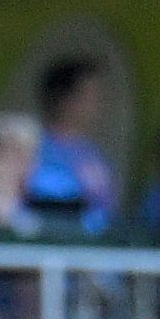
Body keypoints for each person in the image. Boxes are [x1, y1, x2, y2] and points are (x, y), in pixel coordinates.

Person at [30, 60, 120, 234]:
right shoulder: (35, 148)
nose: (98, 103)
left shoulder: (95, 154)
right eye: (90, 95)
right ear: (66, 98)